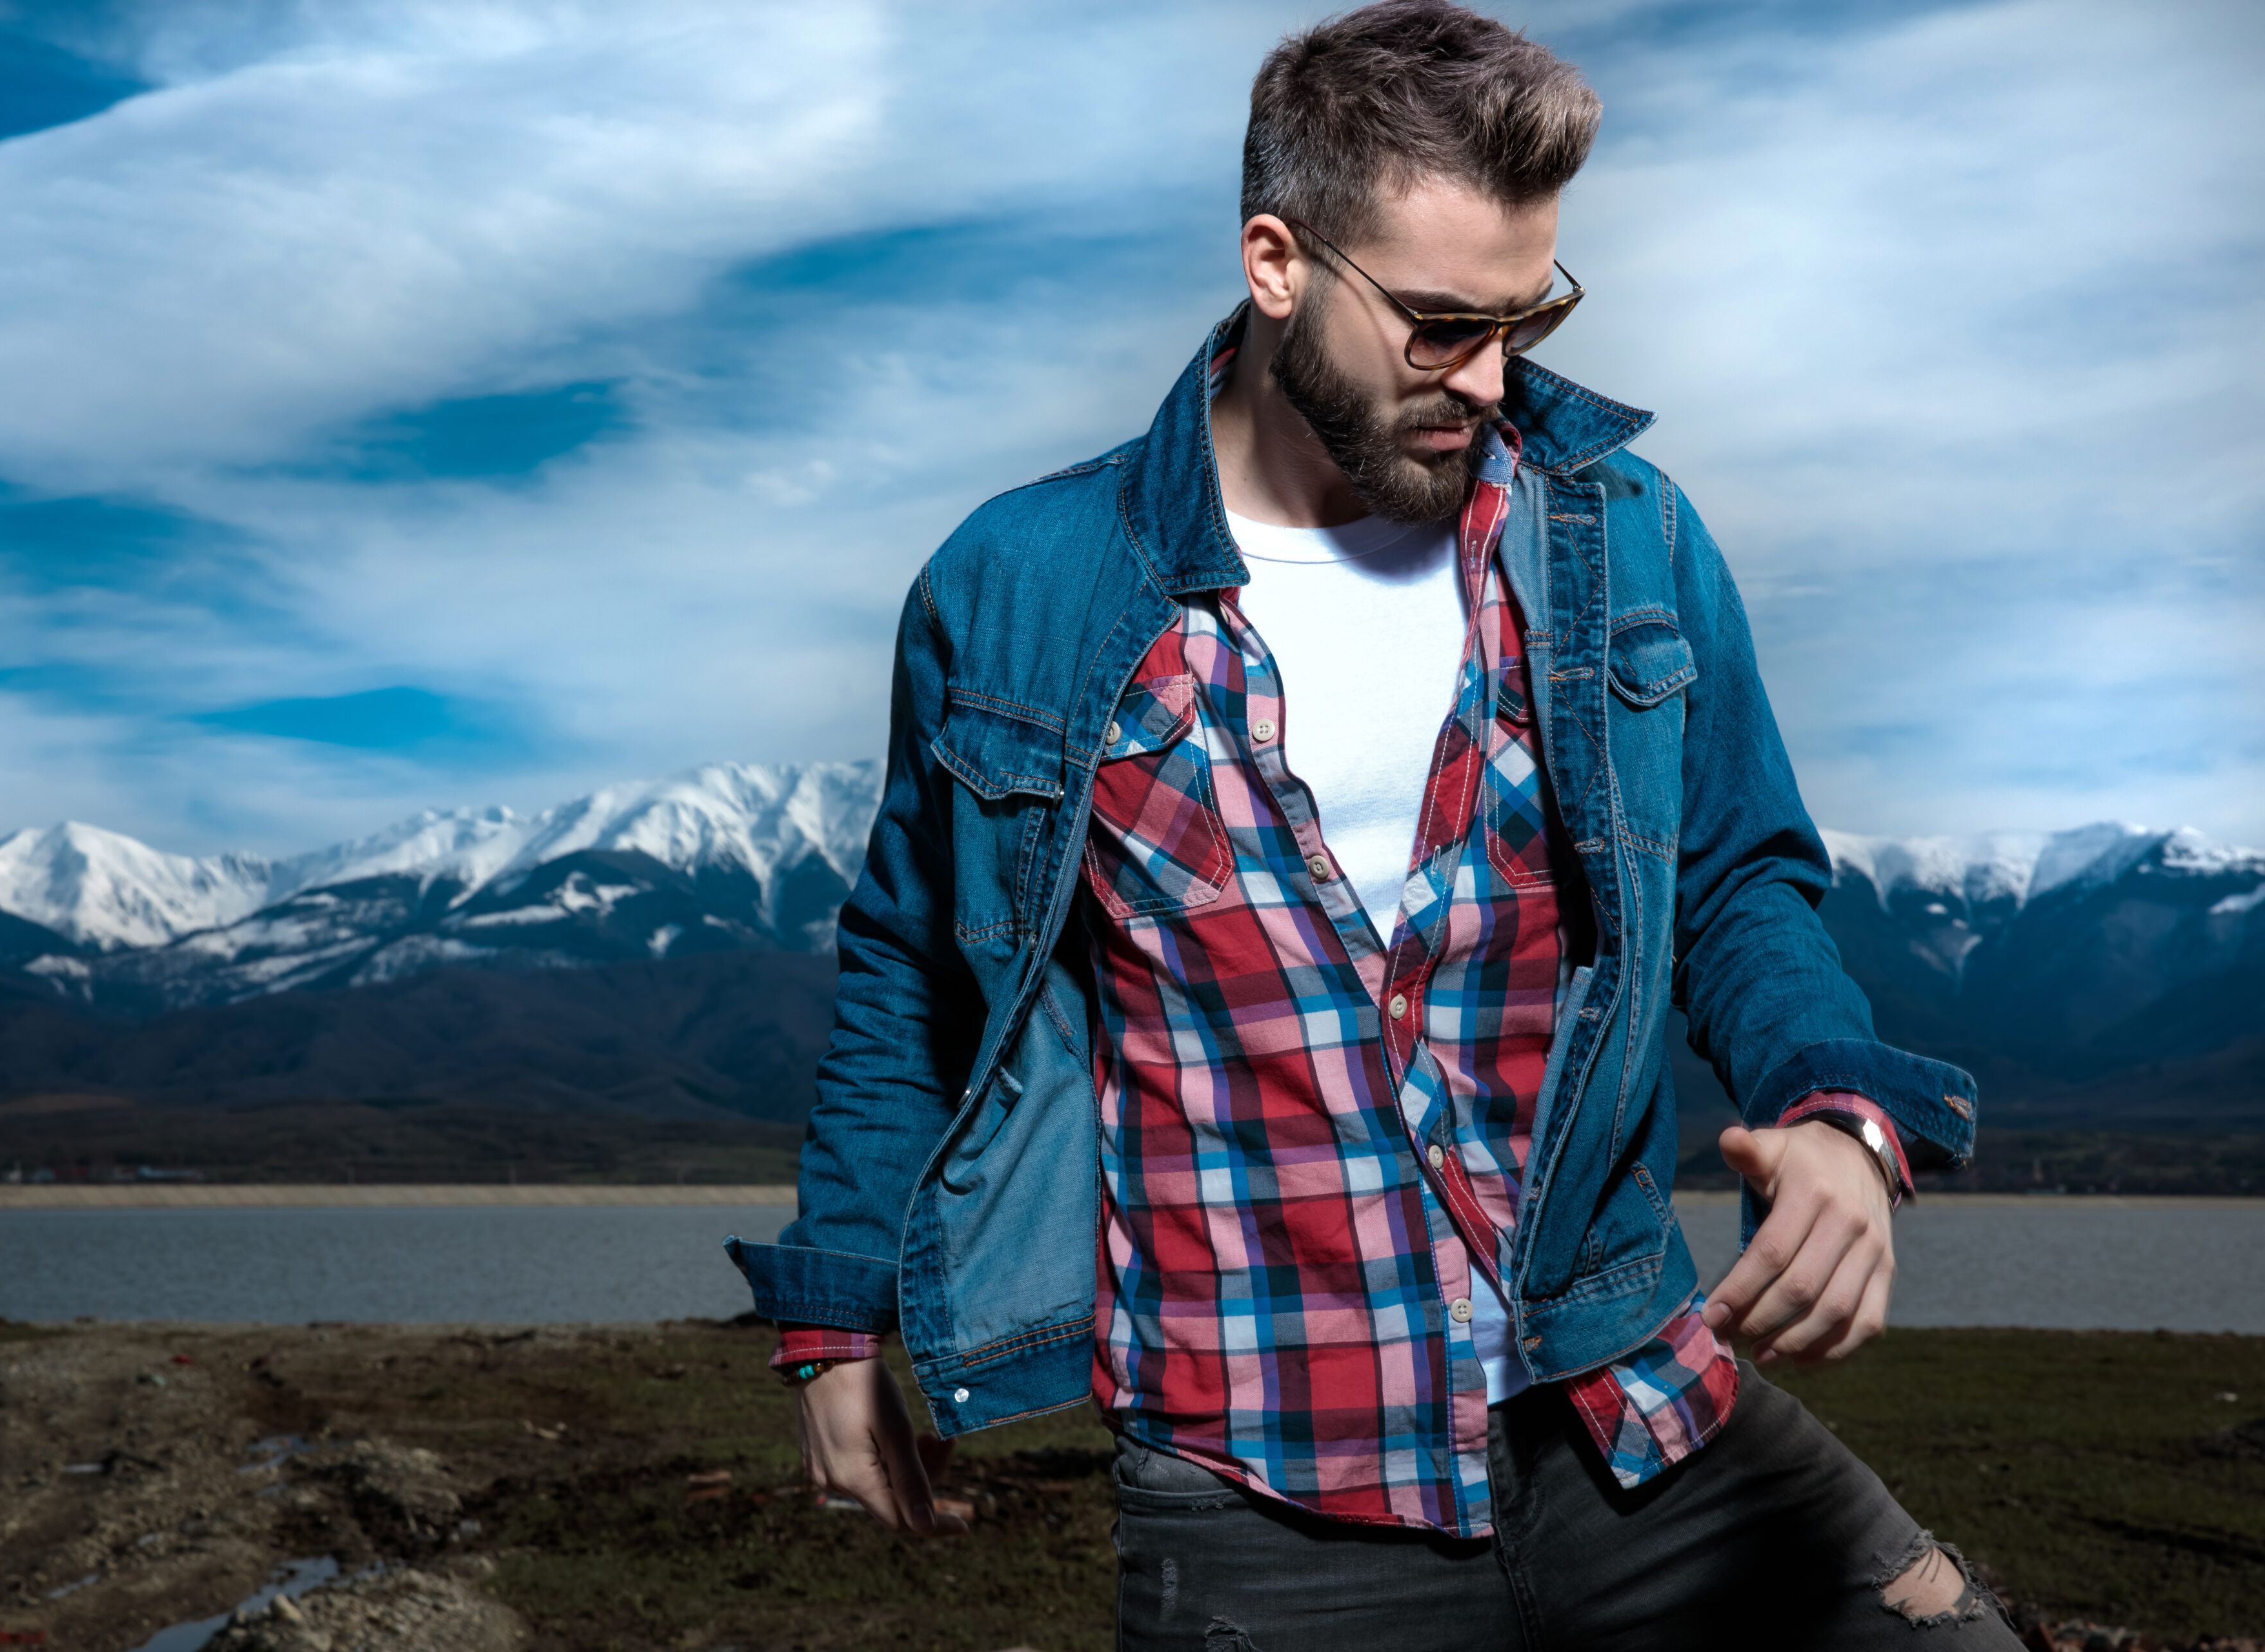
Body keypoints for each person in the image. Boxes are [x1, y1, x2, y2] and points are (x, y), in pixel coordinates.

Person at [727, 5, 2015, 1646]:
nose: (1487, 376)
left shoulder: (1629, 539)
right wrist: (836, 1323)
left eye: (1524, 316)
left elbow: (1738, 876)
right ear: (1277, 262)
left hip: (1632, 1403)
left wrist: (1833, 1104)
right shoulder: (1016, 587)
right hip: (1263, 1482)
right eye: (1434, 324)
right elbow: (908, 974)